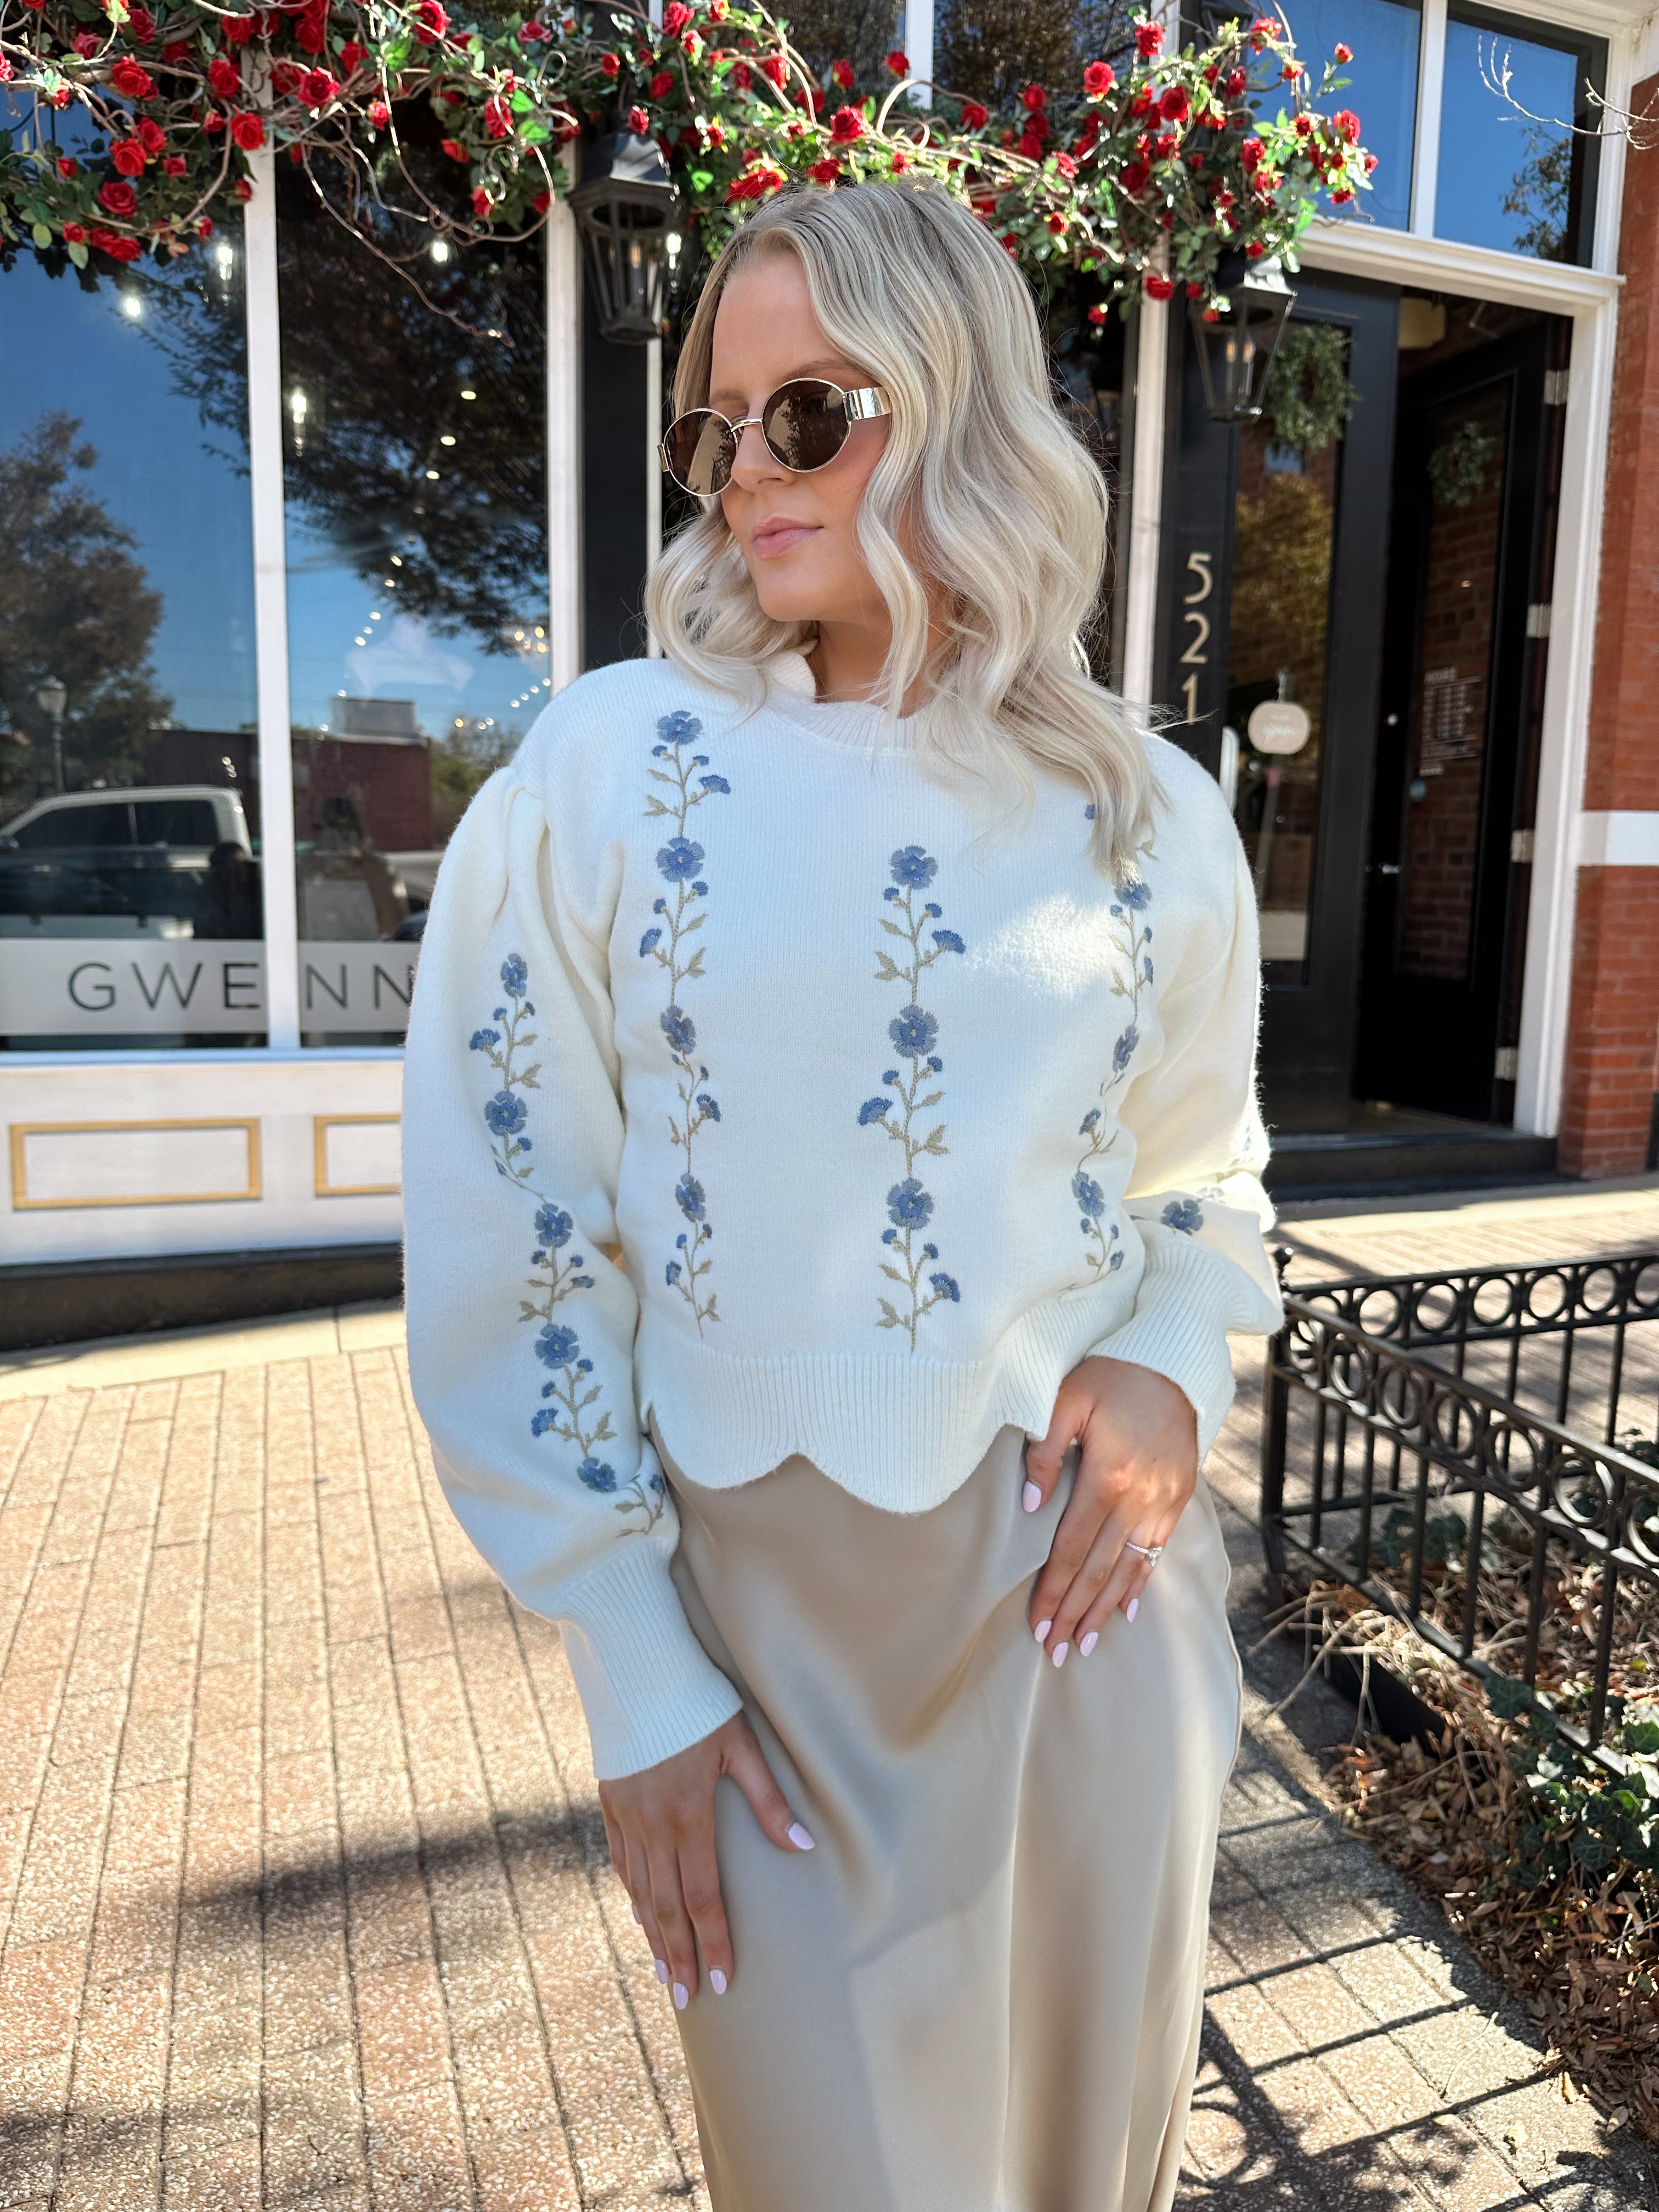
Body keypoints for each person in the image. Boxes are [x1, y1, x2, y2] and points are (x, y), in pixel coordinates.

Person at [402, 180, 1282, 2212]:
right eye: (721, 423)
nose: (744, 475)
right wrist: (628, 1648)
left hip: (1084, 1627)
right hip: (761, 1654)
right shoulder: (605, 779)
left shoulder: (1154, 816)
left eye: (815, 412)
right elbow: (518, 1237)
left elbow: (1203, 1167)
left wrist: (1166, 1353)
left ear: (959, 405)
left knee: (1084, 2174)